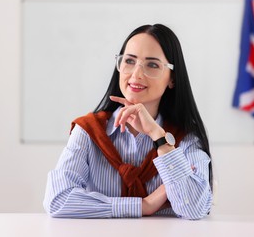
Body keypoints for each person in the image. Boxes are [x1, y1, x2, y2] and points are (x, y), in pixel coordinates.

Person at [43, 24, 213, 220]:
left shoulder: (185, 138)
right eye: (129, 61)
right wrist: (143, 206)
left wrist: (159, 138)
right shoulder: (89, 131)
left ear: (172, 79)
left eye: (152, 65)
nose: (136, 74)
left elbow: (195, 209)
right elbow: (57, 201)